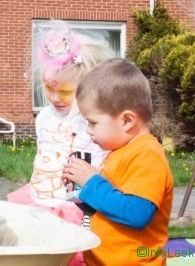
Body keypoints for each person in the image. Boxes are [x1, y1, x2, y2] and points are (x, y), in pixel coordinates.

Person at [62, 58, 174, 265]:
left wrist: (91, 182)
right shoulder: (121, 151)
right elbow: (110, 207)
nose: (88, 129)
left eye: (93, 122)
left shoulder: (146, 154)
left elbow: (136, 212)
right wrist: (80, 193)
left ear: (127, 121)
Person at [8, 20, 113, 228]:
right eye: (48, 88)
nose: (55, 98)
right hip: (40, 200)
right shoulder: (44, 117)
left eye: (65, 92)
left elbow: (104, 161)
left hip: (76, 206)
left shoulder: (91, 121)